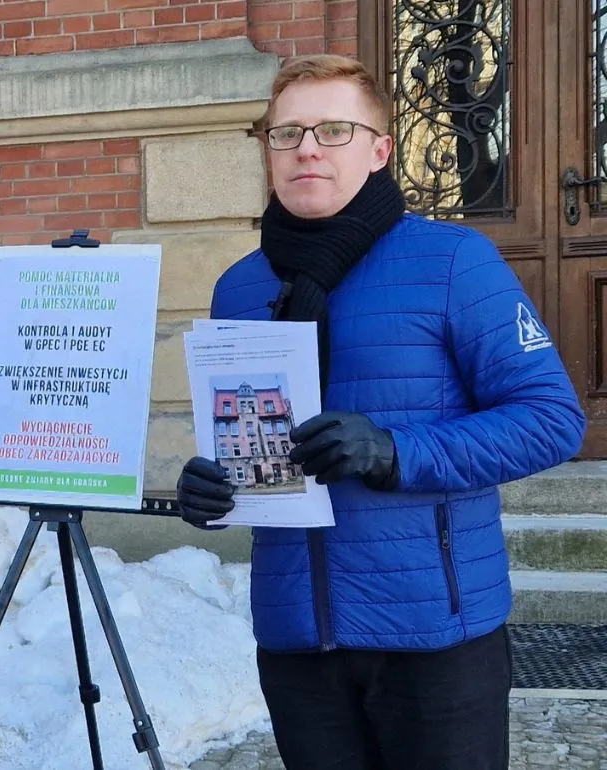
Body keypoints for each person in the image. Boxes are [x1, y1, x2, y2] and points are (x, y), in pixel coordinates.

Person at [175, 55, 585, 769]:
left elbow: (551, 419)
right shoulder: (239, 287)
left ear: (380, 149)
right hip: (299, 637)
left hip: (434, 636)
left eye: (334, 130)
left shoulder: (453, 261)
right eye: (287, 133)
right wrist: (211, 488)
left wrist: (395, 451)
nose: (307, 148)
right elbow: (249, 442)